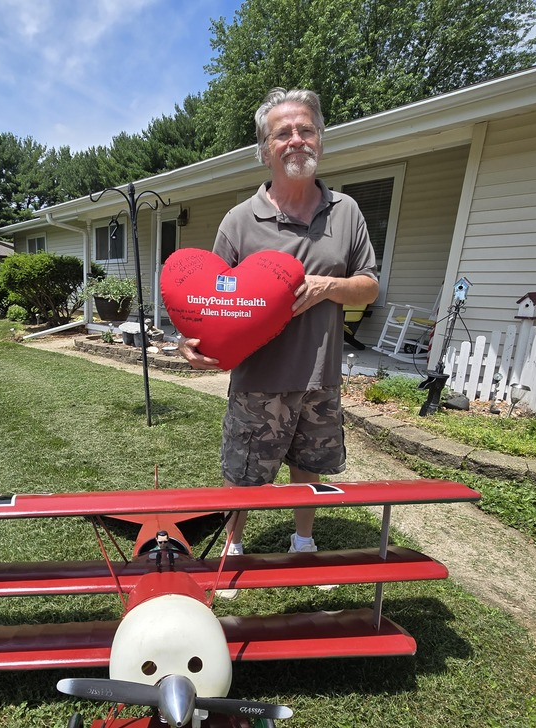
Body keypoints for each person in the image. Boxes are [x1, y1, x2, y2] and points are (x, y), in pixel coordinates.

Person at [178, 88, 379, 581]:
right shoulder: (240, 221)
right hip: (258, 378)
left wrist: (330, 285)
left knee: (307, 466)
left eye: (306, 129)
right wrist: (192, 342)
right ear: (265, 149)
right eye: (283, 133)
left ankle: (303, 541)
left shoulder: (346, 212)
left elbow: (369, 288)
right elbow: (208, 299)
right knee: (243, 472)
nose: (296, 140)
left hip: (320, 375)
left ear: (321, 140)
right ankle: (234, 548)